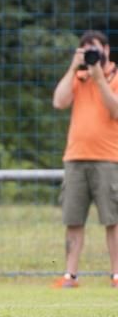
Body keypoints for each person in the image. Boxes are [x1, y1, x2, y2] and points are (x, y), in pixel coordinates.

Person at [50, 29, 118, 288]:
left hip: (109, 159)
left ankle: (116, 275)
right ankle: (70, 275)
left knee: (113, 220)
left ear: (107, 50)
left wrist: (100, 78)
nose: (92, 55)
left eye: (96, 49)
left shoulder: (114, 77)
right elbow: (59, 101)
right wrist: (73, 67)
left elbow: (115, 111)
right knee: (73, 219)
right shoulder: (78, 78)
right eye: (87, 49)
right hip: (76, 158)